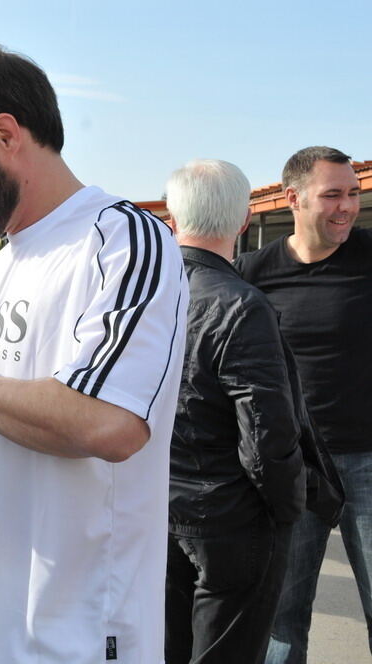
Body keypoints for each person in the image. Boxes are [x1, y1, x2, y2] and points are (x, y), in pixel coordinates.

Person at [0, 44, 187, 662]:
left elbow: (111, 423)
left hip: (74, 624)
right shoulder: (1, 264)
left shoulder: (125, 239)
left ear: (6, 133)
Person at [164, 159, 305, 664]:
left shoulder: (142, 299)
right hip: (229, 521)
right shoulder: (242, 305)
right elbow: (267, 435)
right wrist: (289, 510)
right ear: (245, 221)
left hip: (159, 507)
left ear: (173, 221)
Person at [235, 146, 372, 664]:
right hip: (293, 467)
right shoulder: (252, 272)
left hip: (369, 460)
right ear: (292, 198)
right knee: (281, 620)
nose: (347, 206)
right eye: (332, 194)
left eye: (354, 194)